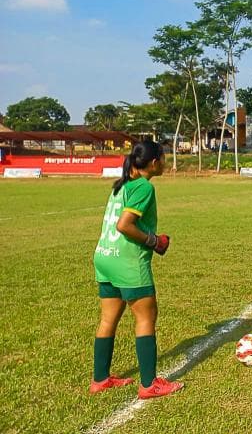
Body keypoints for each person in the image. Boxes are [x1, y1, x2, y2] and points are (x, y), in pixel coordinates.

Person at [91, 141, 183, 399]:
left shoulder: (121, 185)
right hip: (127, 262)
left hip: (105, 256)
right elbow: (124, 225)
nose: (165, 163)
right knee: (145, 318)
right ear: (154, 163)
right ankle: (149, 384)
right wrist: (155, 241)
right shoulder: (144, 186)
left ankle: (100, 379)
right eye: (163, 159)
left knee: (108, 320)